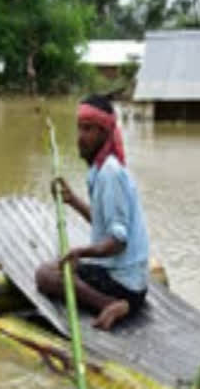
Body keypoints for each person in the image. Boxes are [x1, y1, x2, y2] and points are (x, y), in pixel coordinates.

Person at [36, 94, 149, 330]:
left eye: (88, 130)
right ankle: (117, 302)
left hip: (125, 285)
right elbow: (104, 224)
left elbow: (118, 242)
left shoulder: (110, 173)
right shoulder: (99, 170)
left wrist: (81, 251)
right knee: (56, 269)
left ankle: (111, 304)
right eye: (79, 129)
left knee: (45, 275)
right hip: (128, 280)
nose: (80, 138)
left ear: (104, 133)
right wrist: (73, 201)